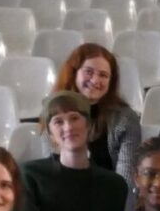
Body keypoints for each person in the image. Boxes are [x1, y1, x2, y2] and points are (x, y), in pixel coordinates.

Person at [19, 90, 129, 211]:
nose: (68, 127)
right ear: (50, 134)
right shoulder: (30, 175)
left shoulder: (114, 185)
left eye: (74, 118)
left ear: (89, 125)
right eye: (58, 122)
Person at [58, 43, 142, 182]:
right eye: (89, 72)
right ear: (74, 73)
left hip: (111, 199)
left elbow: (126, 181)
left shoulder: (125, 118)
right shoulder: (55, 114)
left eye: (103, 75)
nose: (95, 80)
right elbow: (51, 172)